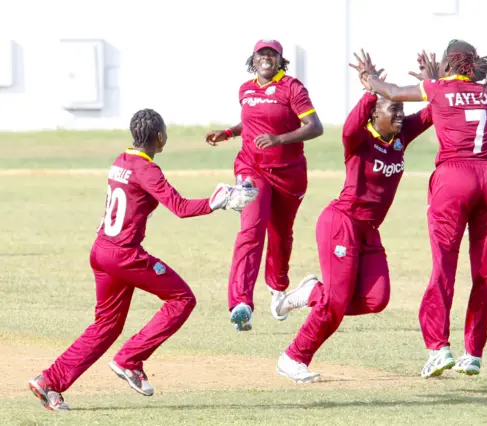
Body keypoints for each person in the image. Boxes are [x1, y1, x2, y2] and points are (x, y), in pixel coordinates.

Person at [28, 109, 258, 411]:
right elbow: (180, 207)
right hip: (124, 255)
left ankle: (50, 381)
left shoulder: (120, 161)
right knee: (182, 299)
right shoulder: (148, 170)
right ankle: (130, 360)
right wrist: (221, 201)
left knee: (106, 326)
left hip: (101, 251)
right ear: (160, 137)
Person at [271, 60, 434, 383]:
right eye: (394, 111)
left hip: (369, 231)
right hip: (340, 223)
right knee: (336, 301)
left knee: (377, 299)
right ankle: (293, 357)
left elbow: (430, 114)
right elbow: (349, 125)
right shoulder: (358, 139)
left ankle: (313, 293)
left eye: (402, 111)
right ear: (375, 114)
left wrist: (436, 84)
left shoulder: (400, 137)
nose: (401, 116)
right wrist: (371, 90)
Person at [357, 41, 487, 378]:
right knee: (485, 271)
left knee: (444, 266)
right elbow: (456, 94)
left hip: (455, 179)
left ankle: (439, 347)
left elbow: (392, 91)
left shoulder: (437, 88)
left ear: (448, 64)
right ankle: (473, 353)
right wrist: (440, 77)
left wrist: (368, 77)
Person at [205, 39, 324, 331]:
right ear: (254, 60)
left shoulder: (292, 88)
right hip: (251, 168)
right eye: (261, 54)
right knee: (251, 228)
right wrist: (229, 132)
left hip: (288, 173)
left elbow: (315, 127)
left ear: (280, 60)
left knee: (281, 236)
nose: (266, 58)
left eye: (272, 54)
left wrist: (279, 139)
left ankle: (278, 288)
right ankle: (241, 303)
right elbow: (252, 122)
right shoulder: (245, 90)